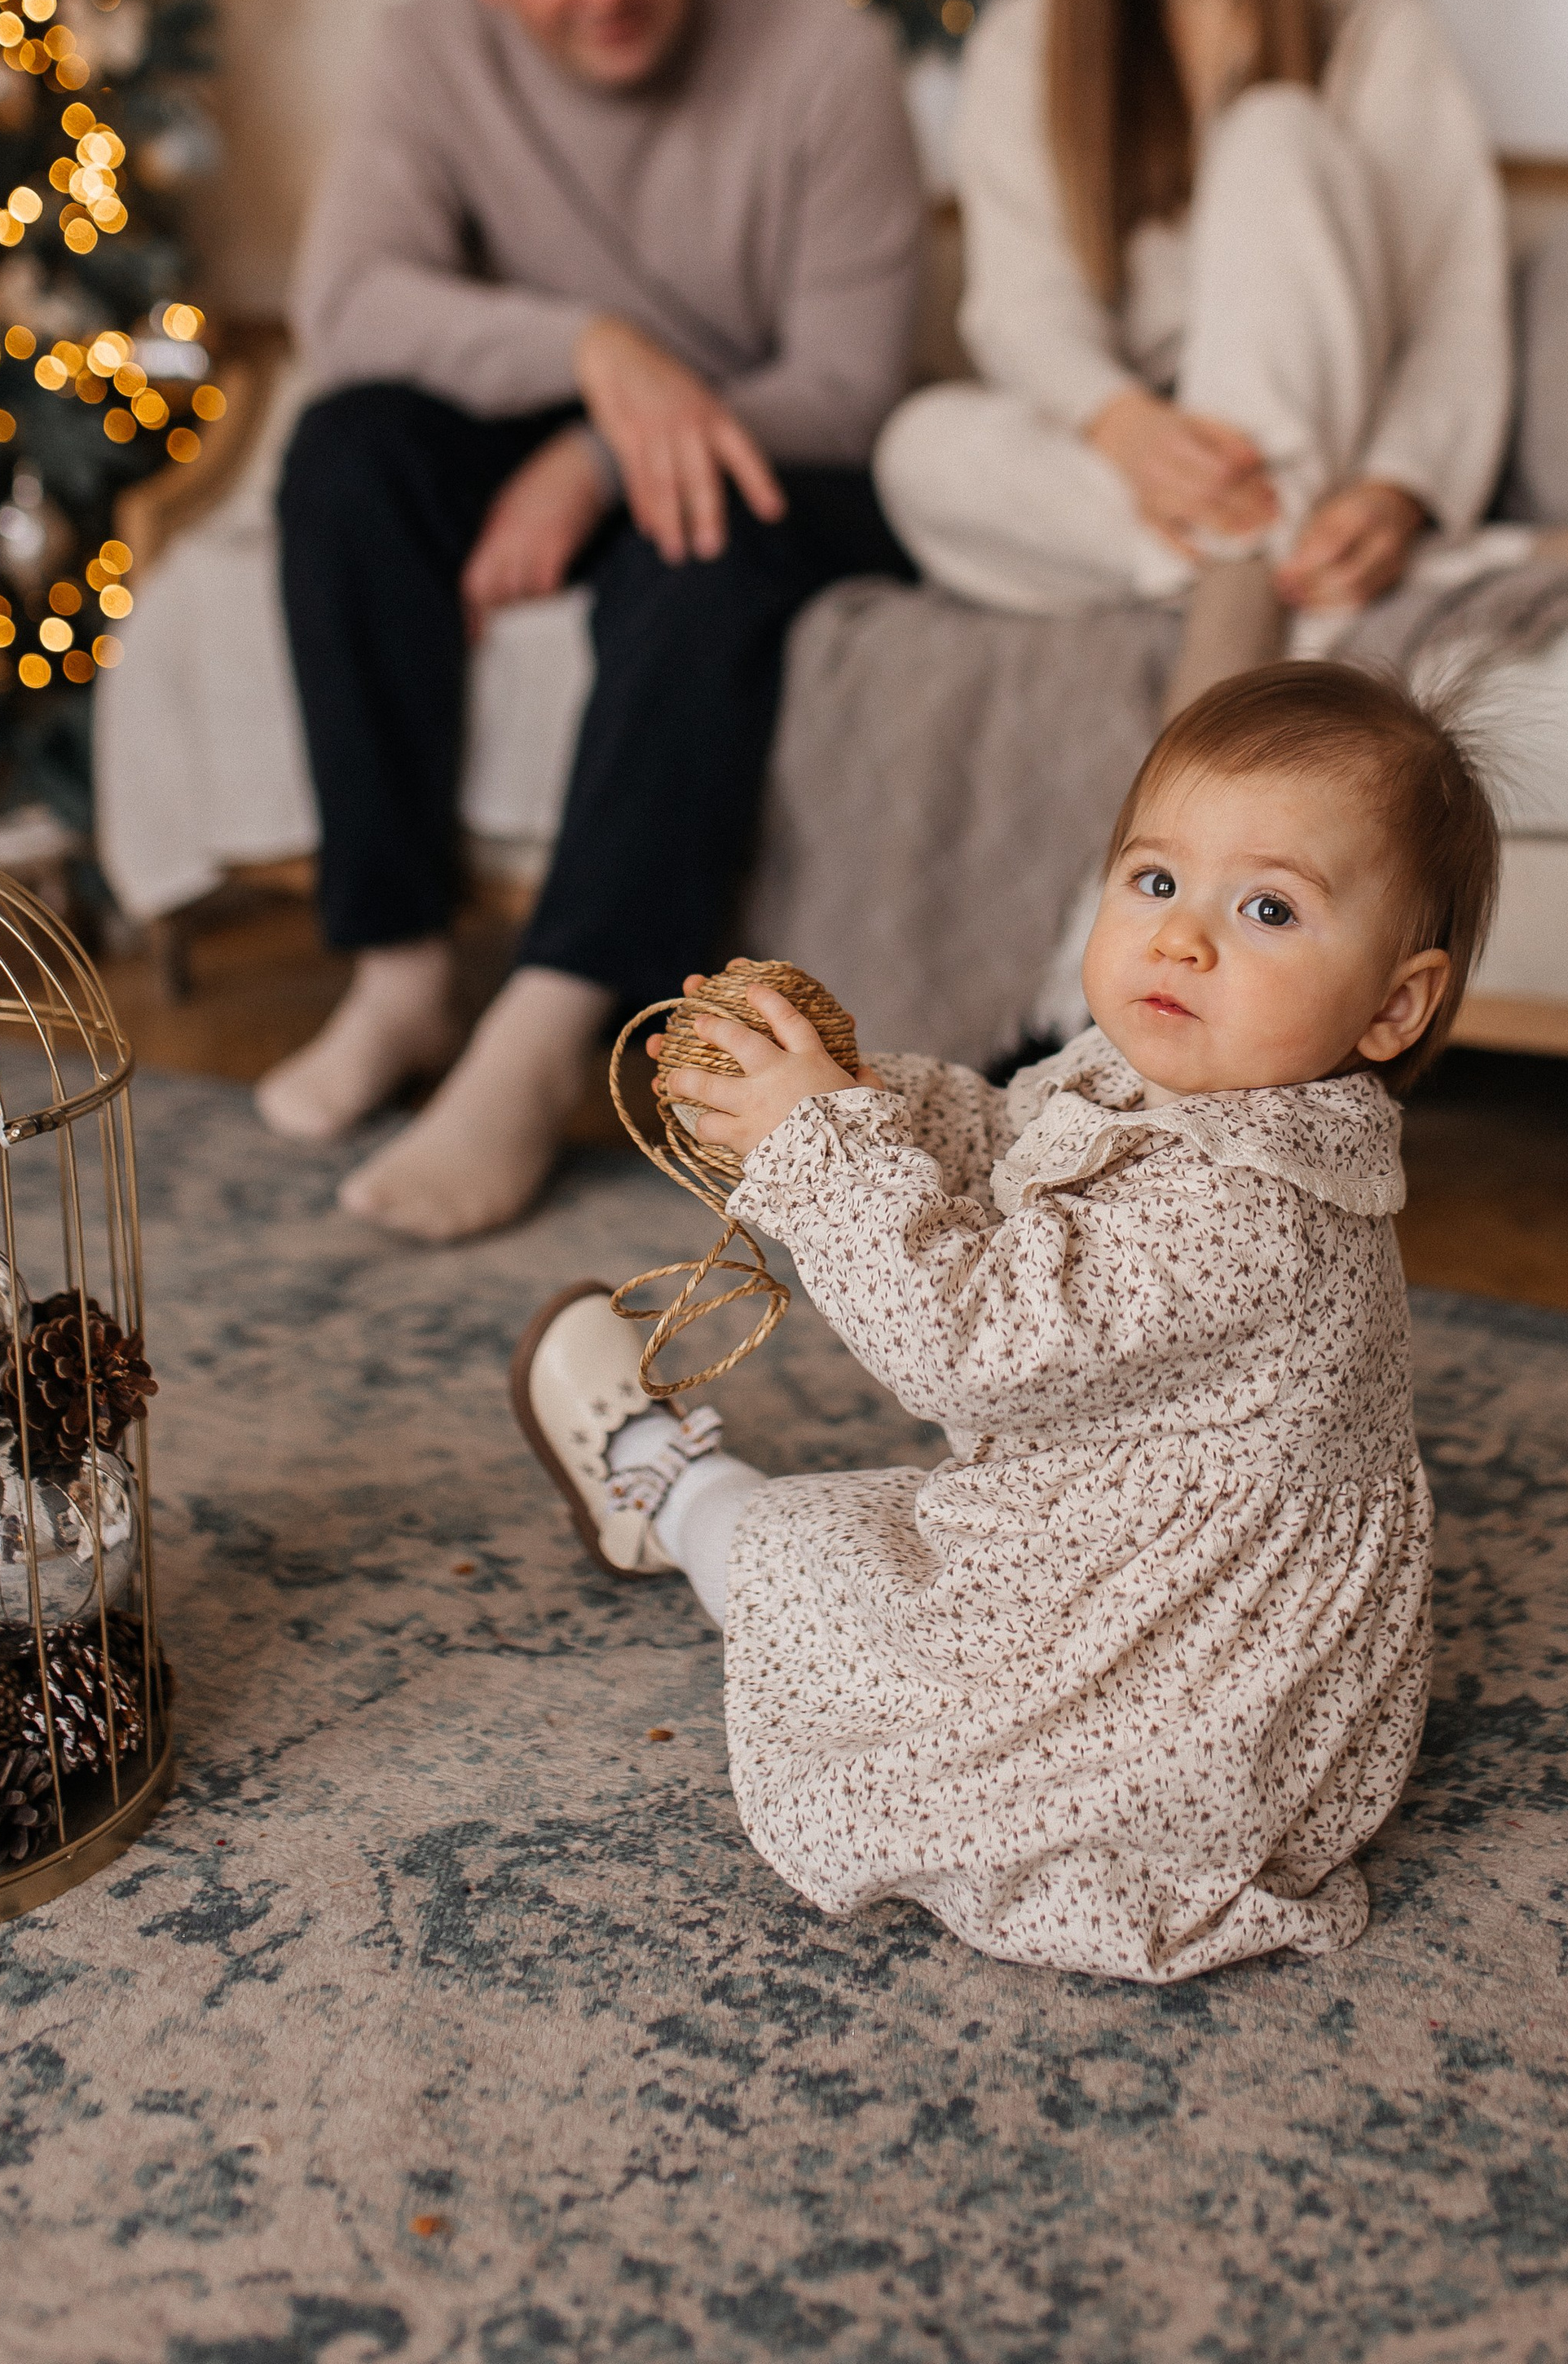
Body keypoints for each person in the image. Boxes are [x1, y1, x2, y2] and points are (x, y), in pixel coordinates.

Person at [511, 659, 1500, 1983]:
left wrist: (819, 1148)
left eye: (1268, 908)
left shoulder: (1261, 1213)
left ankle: (665, 1491)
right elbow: (1004, 1142)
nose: (1183, 938)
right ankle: (685, 1502)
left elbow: (965, 1345)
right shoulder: (1151, 1067)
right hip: (1128, 1543)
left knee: (817, 1567)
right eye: (1155, 882)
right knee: (879, 1564)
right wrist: (864, 1097)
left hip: (1182, 1685)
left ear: (1393, 1004)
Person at [257, 0, 924, 1239]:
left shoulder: (823, 58)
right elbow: (348, 307)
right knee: (345, 446)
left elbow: (852, 381)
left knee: (702, 533)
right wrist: (594, 353)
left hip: (772, 455)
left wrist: (600, 447)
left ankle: (545, 1029)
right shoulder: (425, 51)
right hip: (580, 405)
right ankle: (404, 968)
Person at [872, 0, 1514, 712]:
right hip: (1147, 464)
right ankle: (1312, 578)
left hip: (1325, 433)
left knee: (1276, 131)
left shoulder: (1377, 20)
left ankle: (1223, 657)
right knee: (916, 451)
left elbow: (1454, 306)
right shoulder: (1026, 42)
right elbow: (1024, 308)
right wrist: (1126, 427)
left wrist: (1401, 492)